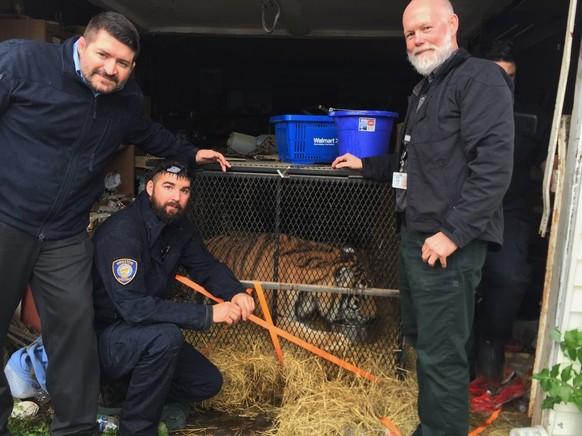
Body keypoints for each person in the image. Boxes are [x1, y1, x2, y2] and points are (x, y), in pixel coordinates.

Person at [0, 11, 231, 435]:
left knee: (74, 337)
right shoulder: (20, 63)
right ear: (82, 44)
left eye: (122, 63)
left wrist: (189, 153)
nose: (111, 68)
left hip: (65, 233)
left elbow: (147, 131)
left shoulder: (123, 98)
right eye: (104, 55)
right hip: (7, 219)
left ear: (132, 67)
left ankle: (76, 429)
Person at [331, 0, 514, 434]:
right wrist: (369, 165)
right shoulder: (427, 88)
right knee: (423, 341)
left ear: (452, 24)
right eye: (410, 34)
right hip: (417, 240)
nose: (418, 39)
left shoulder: (479, 79)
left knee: (442, 353)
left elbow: (494, 167)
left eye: (425, 28)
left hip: (448, 245)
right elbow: (418, 166)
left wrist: (453, 233)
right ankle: (434, 424)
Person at [91, 160, 255, 434]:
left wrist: (234, 292)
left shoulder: (179, 226)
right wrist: (208, 314)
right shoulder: (122, 233)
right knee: (166, 337)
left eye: (184, 190)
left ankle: (120, 397)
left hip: (146, 332)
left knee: (206, 381)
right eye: (169, 187)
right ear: (150, 187)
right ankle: (136, 428)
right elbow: (133, 308)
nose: (176, 197)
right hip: (108, 339)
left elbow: (205, 266)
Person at [467, 39, 550, 403]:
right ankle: (463, 362)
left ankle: (492, 346)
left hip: (510, 209)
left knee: (511, 275)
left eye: (511, 77)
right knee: (463, 281)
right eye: (497, 76)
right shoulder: (464, 110)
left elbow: (554, 161)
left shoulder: (531, 118)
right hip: (467, 208)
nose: (505, 84)